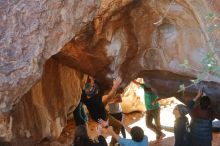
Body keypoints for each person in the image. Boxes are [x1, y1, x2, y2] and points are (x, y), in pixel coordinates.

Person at [81, 76, 122, 146]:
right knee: (118, 126)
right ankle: (112, 144)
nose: (97, 91)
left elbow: (88, 89)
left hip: (94, 114)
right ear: (94, 93)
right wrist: (115, 86)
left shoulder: (84, 96)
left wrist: (92, 80)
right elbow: (109, 96)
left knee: (101, 105)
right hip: (102, 118)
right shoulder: (98, 100)